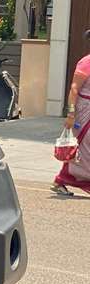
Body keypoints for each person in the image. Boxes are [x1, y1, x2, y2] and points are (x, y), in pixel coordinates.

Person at [53, 30, 90, 195]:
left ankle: (62, 180)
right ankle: (64, 179)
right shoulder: (86, 62)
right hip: (84, 111)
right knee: (85, 149)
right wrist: (71, 114)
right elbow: (74, 89)